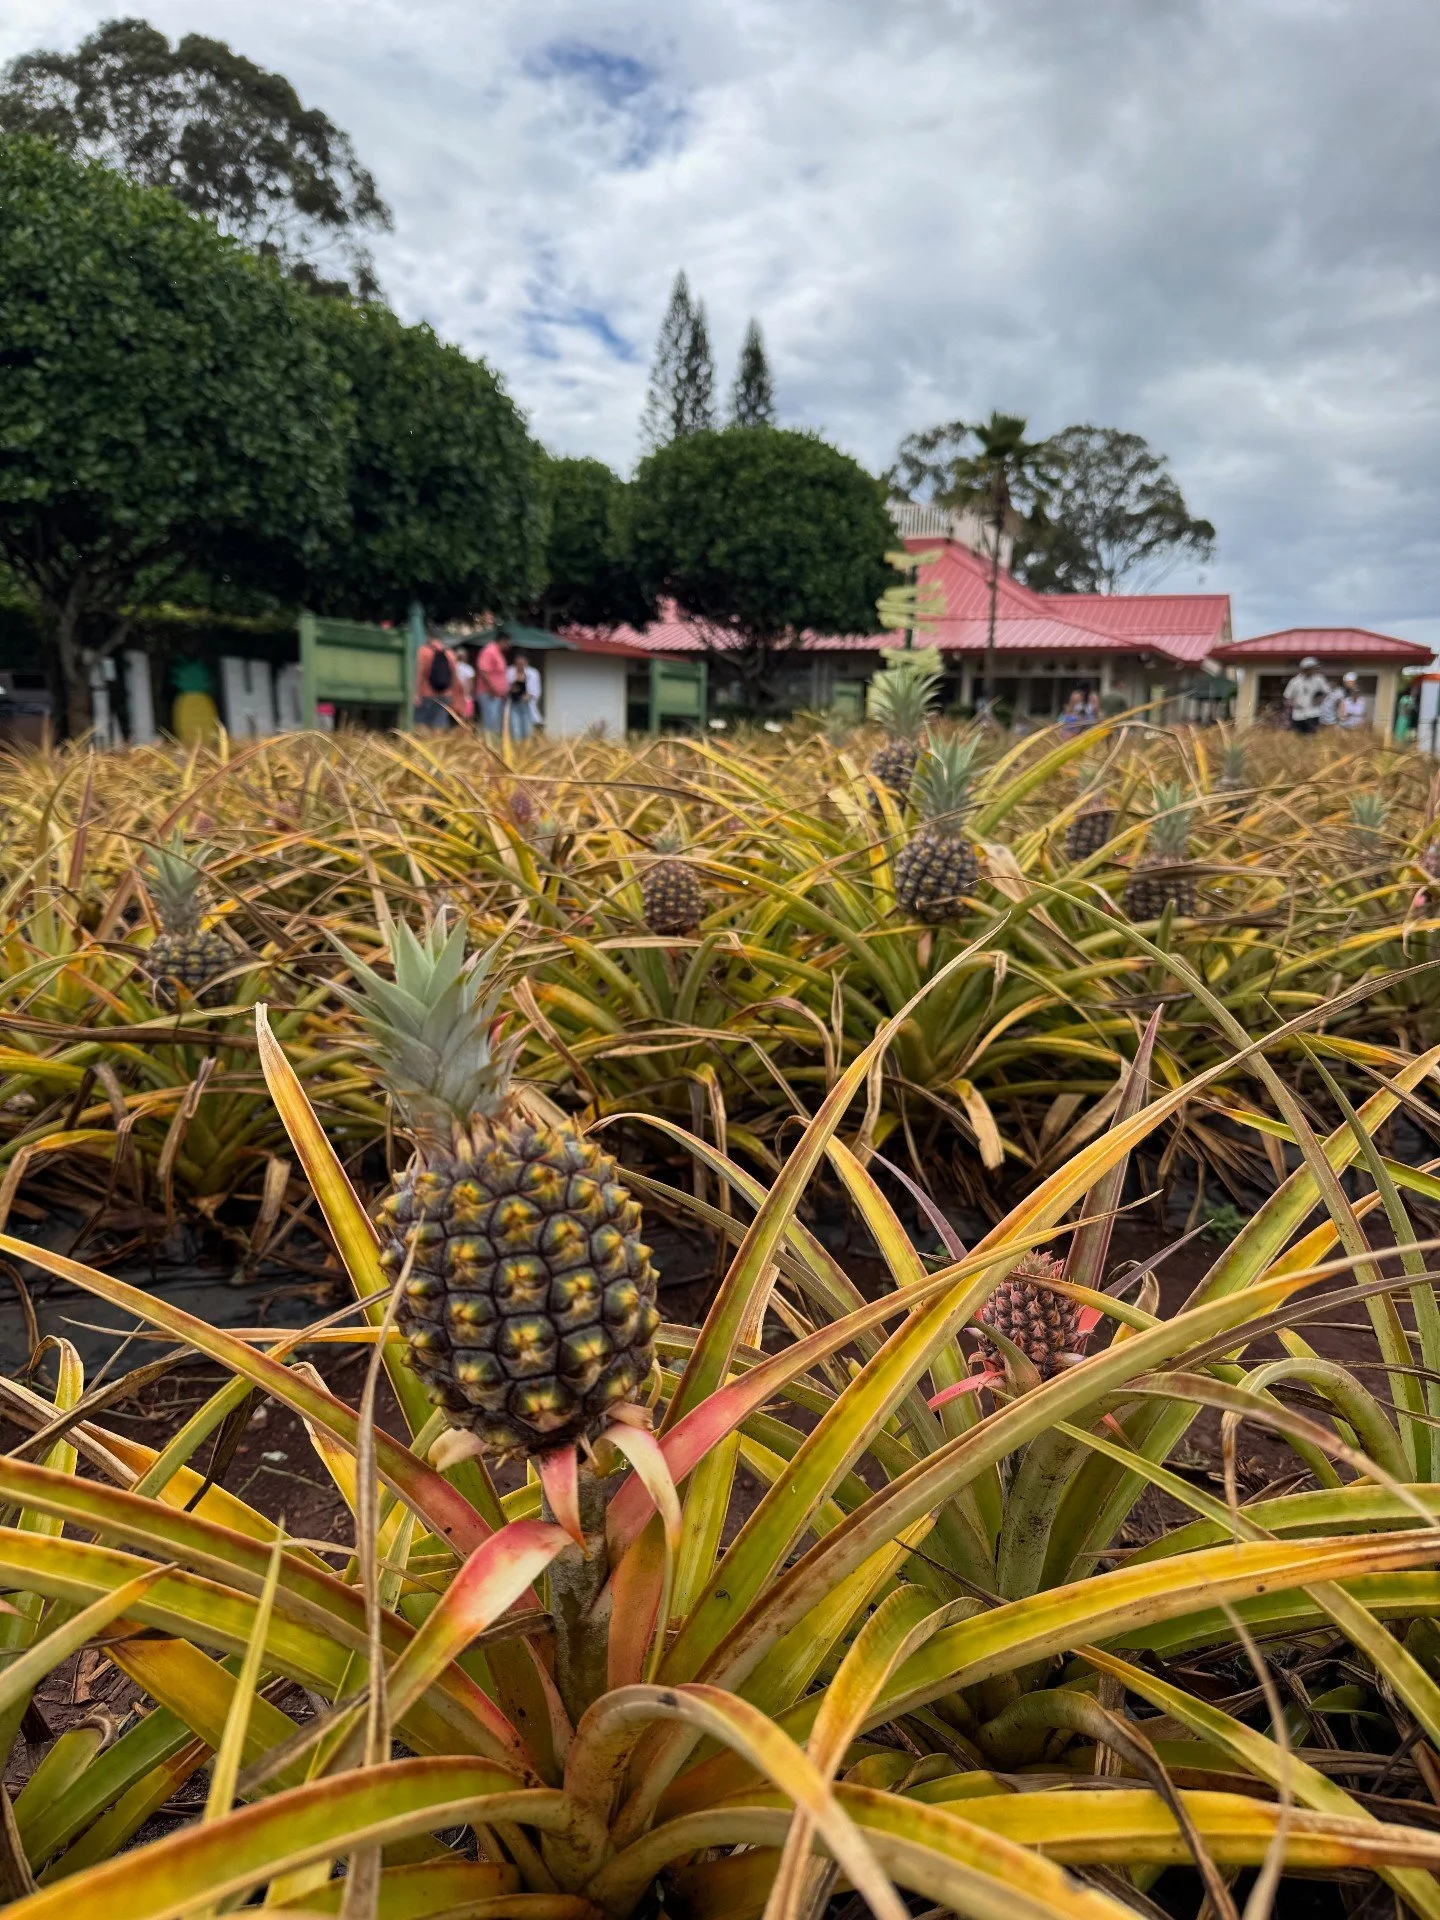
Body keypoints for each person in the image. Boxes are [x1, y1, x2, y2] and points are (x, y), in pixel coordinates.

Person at [414, 630, 460, 728]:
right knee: (440, 724)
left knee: (422, 724)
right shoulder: (450, 653)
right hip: (445, 695)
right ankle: (439, 742)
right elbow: (455, 677)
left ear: (429, 638)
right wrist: (454, 696)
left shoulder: (423, 651)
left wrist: (416, 694)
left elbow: (420, 674)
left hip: (427, 694)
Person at [474, 630, 510, 736]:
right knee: (490, 725)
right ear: (502, 641)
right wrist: (492, 688)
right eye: (508, 643)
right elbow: (483, 671)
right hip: (489, 694)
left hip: (497, 696)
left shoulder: (498, 653)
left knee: (496, 726)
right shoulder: (489, 651)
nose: (509, 646)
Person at [1283, 656, 1330, 735]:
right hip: (1298, 715)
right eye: (1312, 668)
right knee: (1298, 739)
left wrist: (1319, 700)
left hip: (1314, 713)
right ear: (1305, 669)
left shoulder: (1319, 679)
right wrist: (1293, 704)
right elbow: (1287, 698)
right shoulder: (1295, 681)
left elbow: (1327, 692)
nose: (1314, 670)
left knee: (1312, 737)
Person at [507, 649, 534, 743]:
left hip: (526, 704)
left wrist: (528, 696)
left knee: (527, 731)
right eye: (518, 663)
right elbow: (505, 688)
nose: (520, 665)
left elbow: (535, 691)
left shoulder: (533, 673)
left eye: (522, 663)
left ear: (526, 662)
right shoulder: (509, 672)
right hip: (513, 704)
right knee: (515, 731)